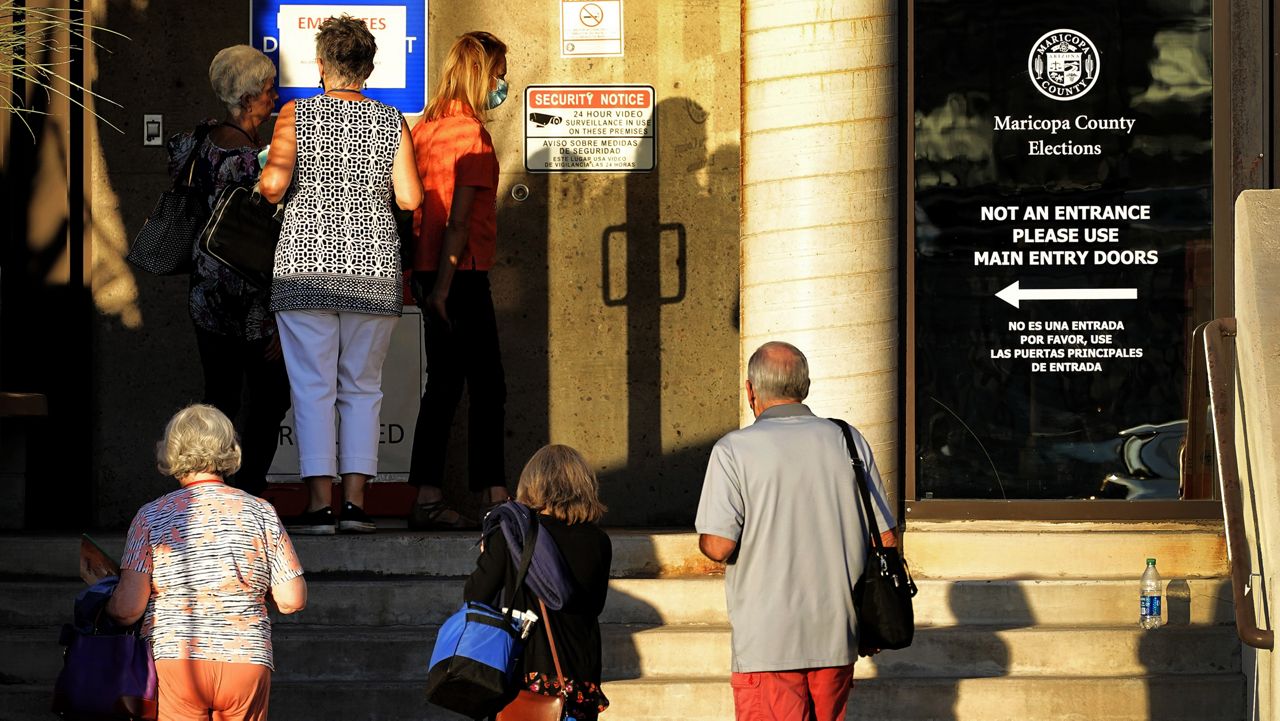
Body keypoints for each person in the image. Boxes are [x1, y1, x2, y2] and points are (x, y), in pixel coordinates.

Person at [259, 15, 424, 534]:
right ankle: (354, 504)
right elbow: (411, 197)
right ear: (368, 67)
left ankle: (316, 505)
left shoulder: (294, 115)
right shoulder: (390, 121)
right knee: (363, 387)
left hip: (305, 268)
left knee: (312, 387)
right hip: (373, 265)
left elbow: (271, 188)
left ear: (322, 65)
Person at [694, 341, 899, 721]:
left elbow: (720, 546)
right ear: (804, 386)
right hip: (837, 634)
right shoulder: (849, 440)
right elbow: (885, 538)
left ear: (751, 390)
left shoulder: (733, 450)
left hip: (768, 641)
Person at [106, 404, 306, 721]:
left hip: (175, 660)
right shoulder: (261, 511)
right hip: (246, 659)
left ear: (171, 451)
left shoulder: (150, 515)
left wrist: (104, 602)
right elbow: (292, 599)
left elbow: (127, 608)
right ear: (229, 450)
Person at [168, 44, 289, 497]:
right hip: (248, 294)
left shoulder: (197, 142)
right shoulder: (248, 161)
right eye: (268, 90)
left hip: (205, 292)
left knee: (219, 395)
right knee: (272, 394)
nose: (274, 97)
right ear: (249, 97)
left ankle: (209, 490)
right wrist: (276, 311)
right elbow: (264, 239)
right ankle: (250, 491)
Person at [406, 31, 513, 530]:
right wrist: (446, 290)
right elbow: (459, 221)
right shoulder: (471, 136)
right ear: (482, 73)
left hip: (429, 271)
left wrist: (427, 282)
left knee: (444, 384)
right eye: (499, 72)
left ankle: (428, 496)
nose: (503, 82)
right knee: (488, 383)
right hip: (460, 275)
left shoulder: (424, 129)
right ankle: (496, 496)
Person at [464, 445, 612, 721]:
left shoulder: (513, 537)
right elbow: (595, 605)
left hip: (527, 674)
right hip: (580, 677)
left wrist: (490, 555)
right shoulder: (599, 541)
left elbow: (476, 596)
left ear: (531, 484)